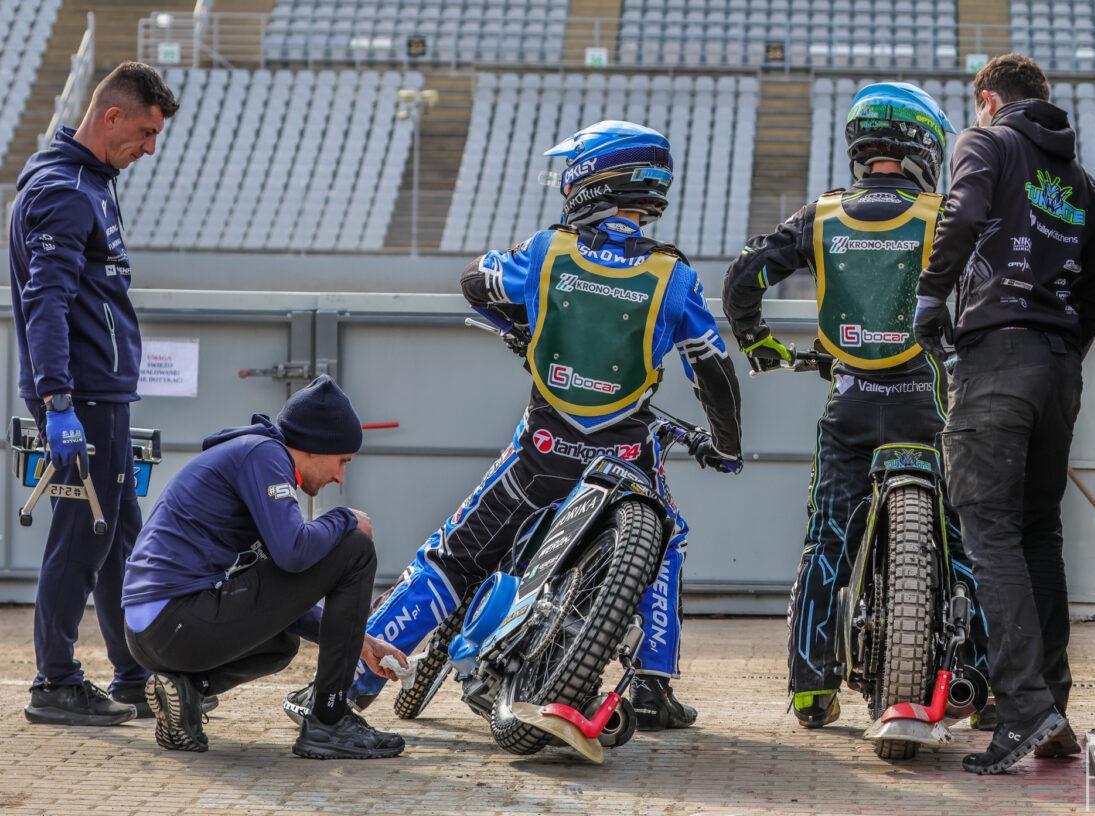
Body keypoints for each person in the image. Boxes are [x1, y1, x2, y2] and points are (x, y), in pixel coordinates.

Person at [302, 120, 742, 731]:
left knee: (453, 557)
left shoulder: (547, 251)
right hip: (626, 456)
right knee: (668, 542)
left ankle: (353, 681)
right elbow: (713, 371)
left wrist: (526, 324)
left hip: (541, 451)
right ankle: (651, 686)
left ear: (594, 179)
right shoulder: (676, 277)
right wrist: (727, 443)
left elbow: (476, 282)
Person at [723, 82, 988, 730]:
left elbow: (743, 278)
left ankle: (811, 687)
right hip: (929, 408)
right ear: (923, 144)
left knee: (827, 542)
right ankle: (982, 685)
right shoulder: (941, 213)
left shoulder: (823, 214)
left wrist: (758, 343)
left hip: (848, 405)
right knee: (965, 542)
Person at [913, 54, 1095, 774]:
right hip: (1059, 369)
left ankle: (1024, 710)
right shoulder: (1080, 181)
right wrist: (1060, 355)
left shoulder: (985, 141)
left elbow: (961, 215)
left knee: (988, 531)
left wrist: (931, 300)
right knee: (1038, 533)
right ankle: (1050, 706)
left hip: (997, 358)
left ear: (989, 98)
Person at [9, 62, 178, 726]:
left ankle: (133, 672)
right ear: (111, 117)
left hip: (98, 394)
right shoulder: (65, 192)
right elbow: (44, 302)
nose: (149, 147)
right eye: (144, 131)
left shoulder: (92, 186)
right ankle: (55, 681)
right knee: (83, 538)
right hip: (81, 399)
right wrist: (58, 403)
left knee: (120, 541)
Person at [122, 376, 409, 759]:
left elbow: (283, 596)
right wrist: (344, 518)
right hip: (178, 618)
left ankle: (186, 693)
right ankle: (330, 719)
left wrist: (363, 643)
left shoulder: (254, 457)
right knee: (354, 545)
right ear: (316, 446)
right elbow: (293, 553)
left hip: (149, 632)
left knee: (279, 644)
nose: (340, 476)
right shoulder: (266, 457)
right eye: (342, 461)